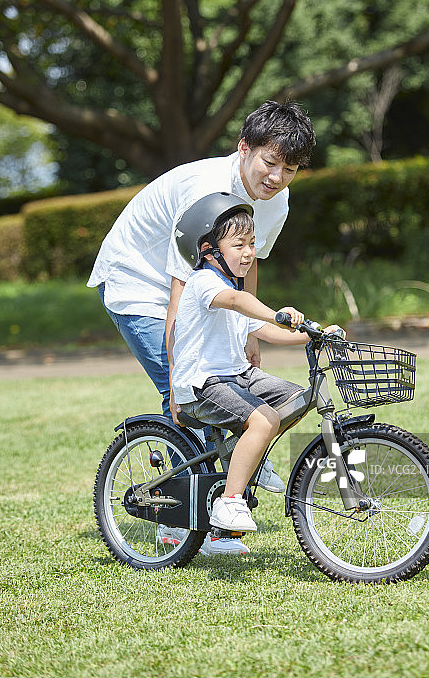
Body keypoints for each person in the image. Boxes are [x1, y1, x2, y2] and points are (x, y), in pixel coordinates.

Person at [87, 99, 316, 554]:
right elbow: (180, 294)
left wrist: (249, 334)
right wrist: (177, 381)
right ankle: (181, 524)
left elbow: (247, 263)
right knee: (194, 399)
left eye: (289, 169)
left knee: (252, 398)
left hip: (206, 290)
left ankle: (230, 475)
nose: (275, 178)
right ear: (244, 147)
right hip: (139, 282)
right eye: (268, 163)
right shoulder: (205, 194)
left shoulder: (277, 199)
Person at [171, 193, 345, 533]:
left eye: (251, 243)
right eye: (238, 244)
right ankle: (230, 501)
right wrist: (279, 313)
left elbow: (266, 330)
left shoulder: (230, 285)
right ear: (208, 250)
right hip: (203, 383)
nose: (248, 252)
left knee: (297, 398)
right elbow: (238, 301)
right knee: (264, 419)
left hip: (237, 376)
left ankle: (249, 452)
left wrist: (314, 334)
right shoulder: (205, 282)